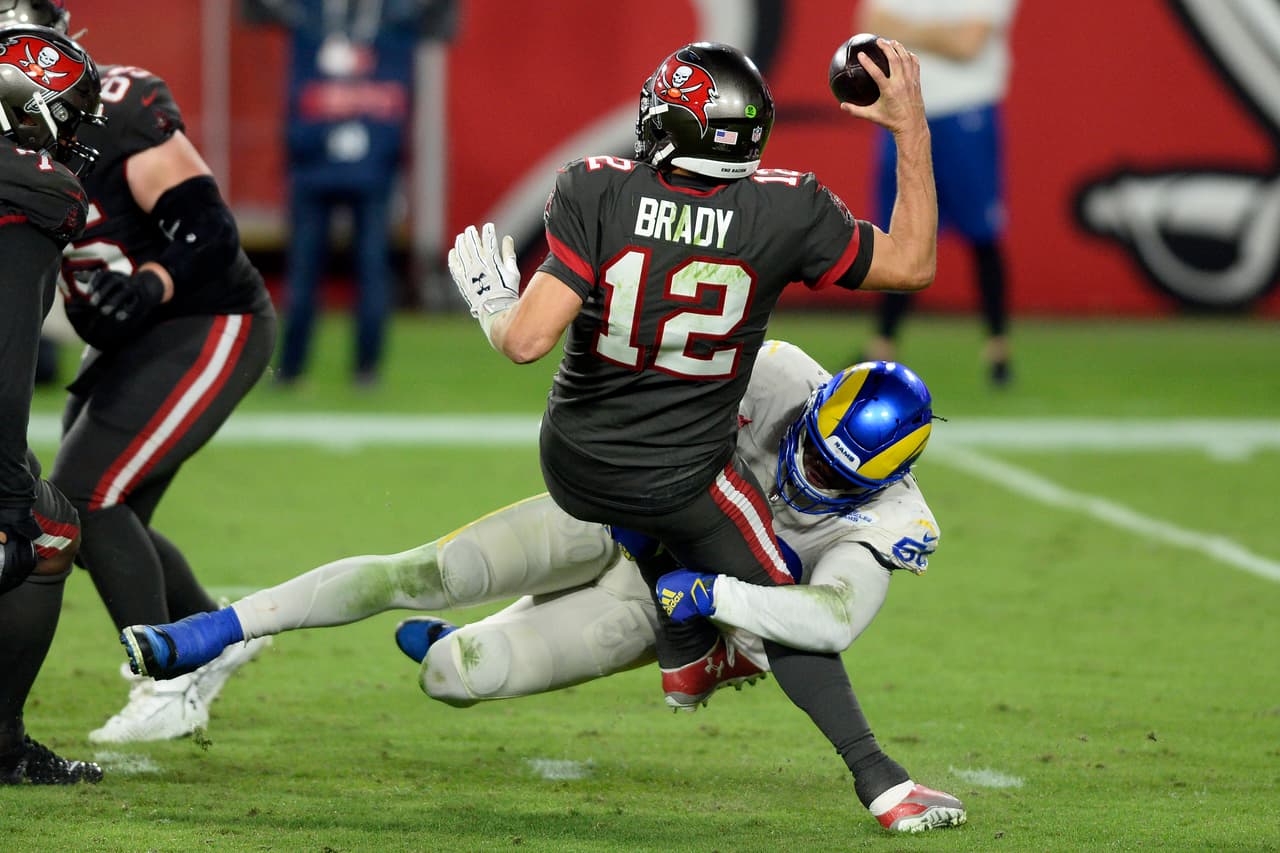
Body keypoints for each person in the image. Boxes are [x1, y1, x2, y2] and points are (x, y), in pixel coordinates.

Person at [122, 340, 965, 831]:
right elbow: (646, 397)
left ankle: (469, 638)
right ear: (815, 404)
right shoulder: (774, 373)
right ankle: (215, 629)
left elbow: (832, 619)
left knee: (453, 675)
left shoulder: (891, 521)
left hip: (660, 601)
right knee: (426, 570)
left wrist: (714, 600)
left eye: (836, 475)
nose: (808, 473)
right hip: (619, 517)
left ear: (885, 480)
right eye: (809, 447)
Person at [448, 40, 940, 817]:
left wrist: (492, 305)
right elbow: (912, 263)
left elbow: (526, 341)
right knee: (775, 593)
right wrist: (909, 125)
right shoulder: (787, 209)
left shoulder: (595, 187)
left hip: (573, 462)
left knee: (636, 510)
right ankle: (881, 780)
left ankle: (683, 644)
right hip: (682, 479)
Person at [5, 0, 276, 745]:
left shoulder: (116, 107)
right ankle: (210, 633)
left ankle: (168, 677)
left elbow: (209, 225)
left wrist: (154, 281)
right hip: (122, 338)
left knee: (87, 497)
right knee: (93, 514)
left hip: (203, 317)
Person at [243, 0, 458, 387]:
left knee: (331, 271)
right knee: (342, 271)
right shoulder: (376, 19)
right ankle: (356, 371)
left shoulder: (323, 18)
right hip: (352, 166)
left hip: (334, 166)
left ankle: (304, 370)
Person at [0, 21, 103, 784]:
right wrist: (8, 492)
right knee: (44, 531)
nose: (73, 138)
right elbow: (5, 352)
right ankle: (2, 745)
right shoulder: (37, 190)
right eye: (68, 116)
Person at [859, 0, 1019, 386]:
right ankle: (883, 344)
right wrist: (941, 36)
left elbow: (968, 44)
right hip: (905, 110)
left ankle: (998, 346)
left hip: (966, 112)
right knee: (899, 231)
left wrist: (904, 36)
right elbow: (871, 27)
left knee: (982, 233)